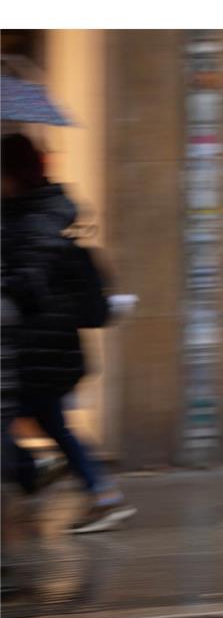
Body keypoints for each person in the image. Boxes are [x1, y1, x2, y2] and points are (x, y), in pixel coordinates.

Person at [1, 133, 136, 533]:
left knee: (35, 419)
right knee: (48, 421)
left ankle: (43, 478)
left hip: (37, 347)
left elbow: (26, 285)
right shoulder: (27, 212)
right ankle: (90, 489)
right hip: (39, 348)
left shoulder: (33, 218)